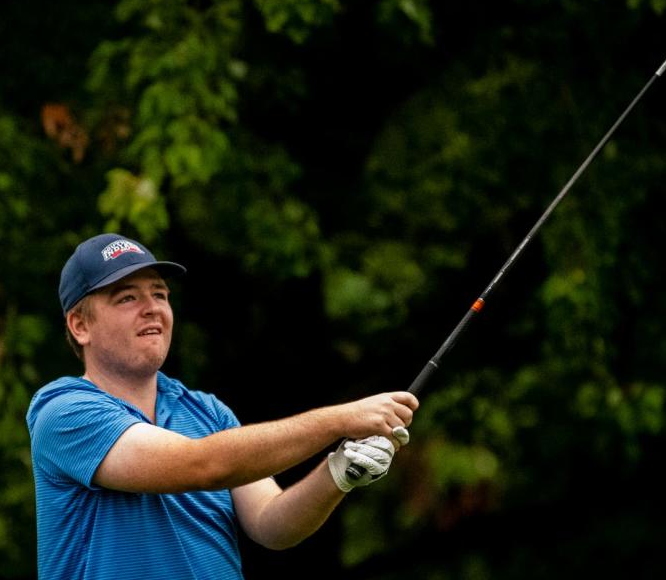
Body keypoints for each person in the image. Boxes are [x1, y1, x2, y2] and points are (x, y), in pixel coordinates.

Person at [26, 233, 419, 579]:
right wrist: (341, 418)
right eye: (127, 297)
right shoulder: (62, 411)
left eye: (159, 294)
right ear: (80, 325)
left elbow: (271, 524)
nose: (152, 308)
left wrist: (338, 473)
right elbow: (204, 465)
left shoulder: (206, 412)